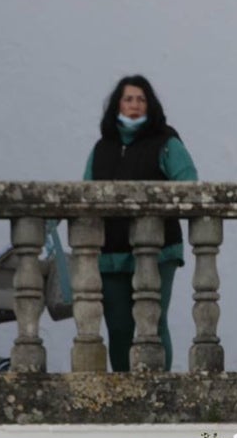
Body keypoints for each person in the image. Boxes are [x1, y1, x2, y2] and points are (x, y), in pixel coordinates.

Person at [83, 75, 198, 371]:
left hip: (159, 251)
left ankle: (159, 388)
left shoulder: (166, 142)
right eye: (128, 99)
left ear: (150, 105)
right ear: (117, 105)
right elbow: (86, 193)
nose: (134, 105)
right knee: (118, 327)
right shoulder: (102, 148)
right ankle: (124, 389)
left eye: (141, 99)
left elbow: (189, 185)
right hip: (110, 253)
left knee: (152, 321)